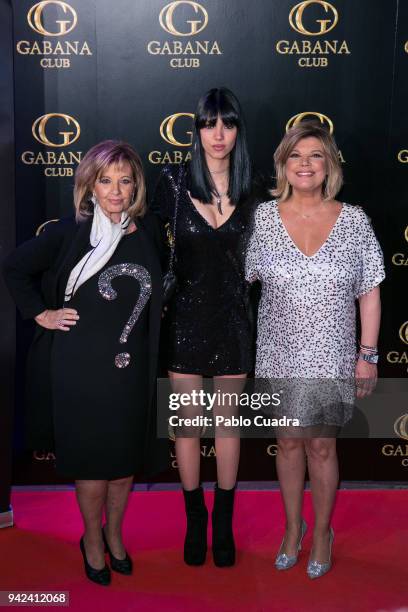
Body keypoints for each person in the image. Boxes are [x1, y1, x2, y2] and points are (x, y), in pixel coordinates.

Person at [3, 140, 167, 586]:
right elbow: (14, 269)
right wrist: (42, 313)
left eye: (125, 180)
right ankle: (92, 539)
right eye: (105, 180)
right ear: (90, 185)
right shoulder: (66, 232)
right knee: (94, 462)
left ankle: (115, 535)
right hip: (80, 369)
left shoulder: (149, 228)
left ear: (136, 186)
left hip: (132, 369)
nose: (116, 190)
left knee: (123, 461)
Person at [245, 121, 385, 578]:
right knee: (287, 444)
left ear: (330, 165)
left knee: (322, 447)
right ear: (283, 164)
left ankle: (322, 532)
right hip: (278, 353)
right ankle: (293, 528)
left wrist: (368, 355)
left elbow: (369, 291)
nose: (305, 164)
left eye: (316, 155)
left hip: (332, 355)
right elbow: (234, 282)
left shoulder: (355, 220)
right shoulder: (262, 218)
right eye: (296, 155)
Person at [152, 87, 270, 567]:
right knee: (187, 428)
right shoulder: (172, 182)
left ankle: (222, 521)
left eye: (227, 123)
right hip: (184, 322)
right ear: (196, 130)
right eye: (208, 123)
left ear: (238, 129)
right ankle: (195, 518)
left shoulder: (257, 189)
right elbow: (147, 252)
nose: (217, 134)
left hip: (235, 324)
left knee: (227, 430)